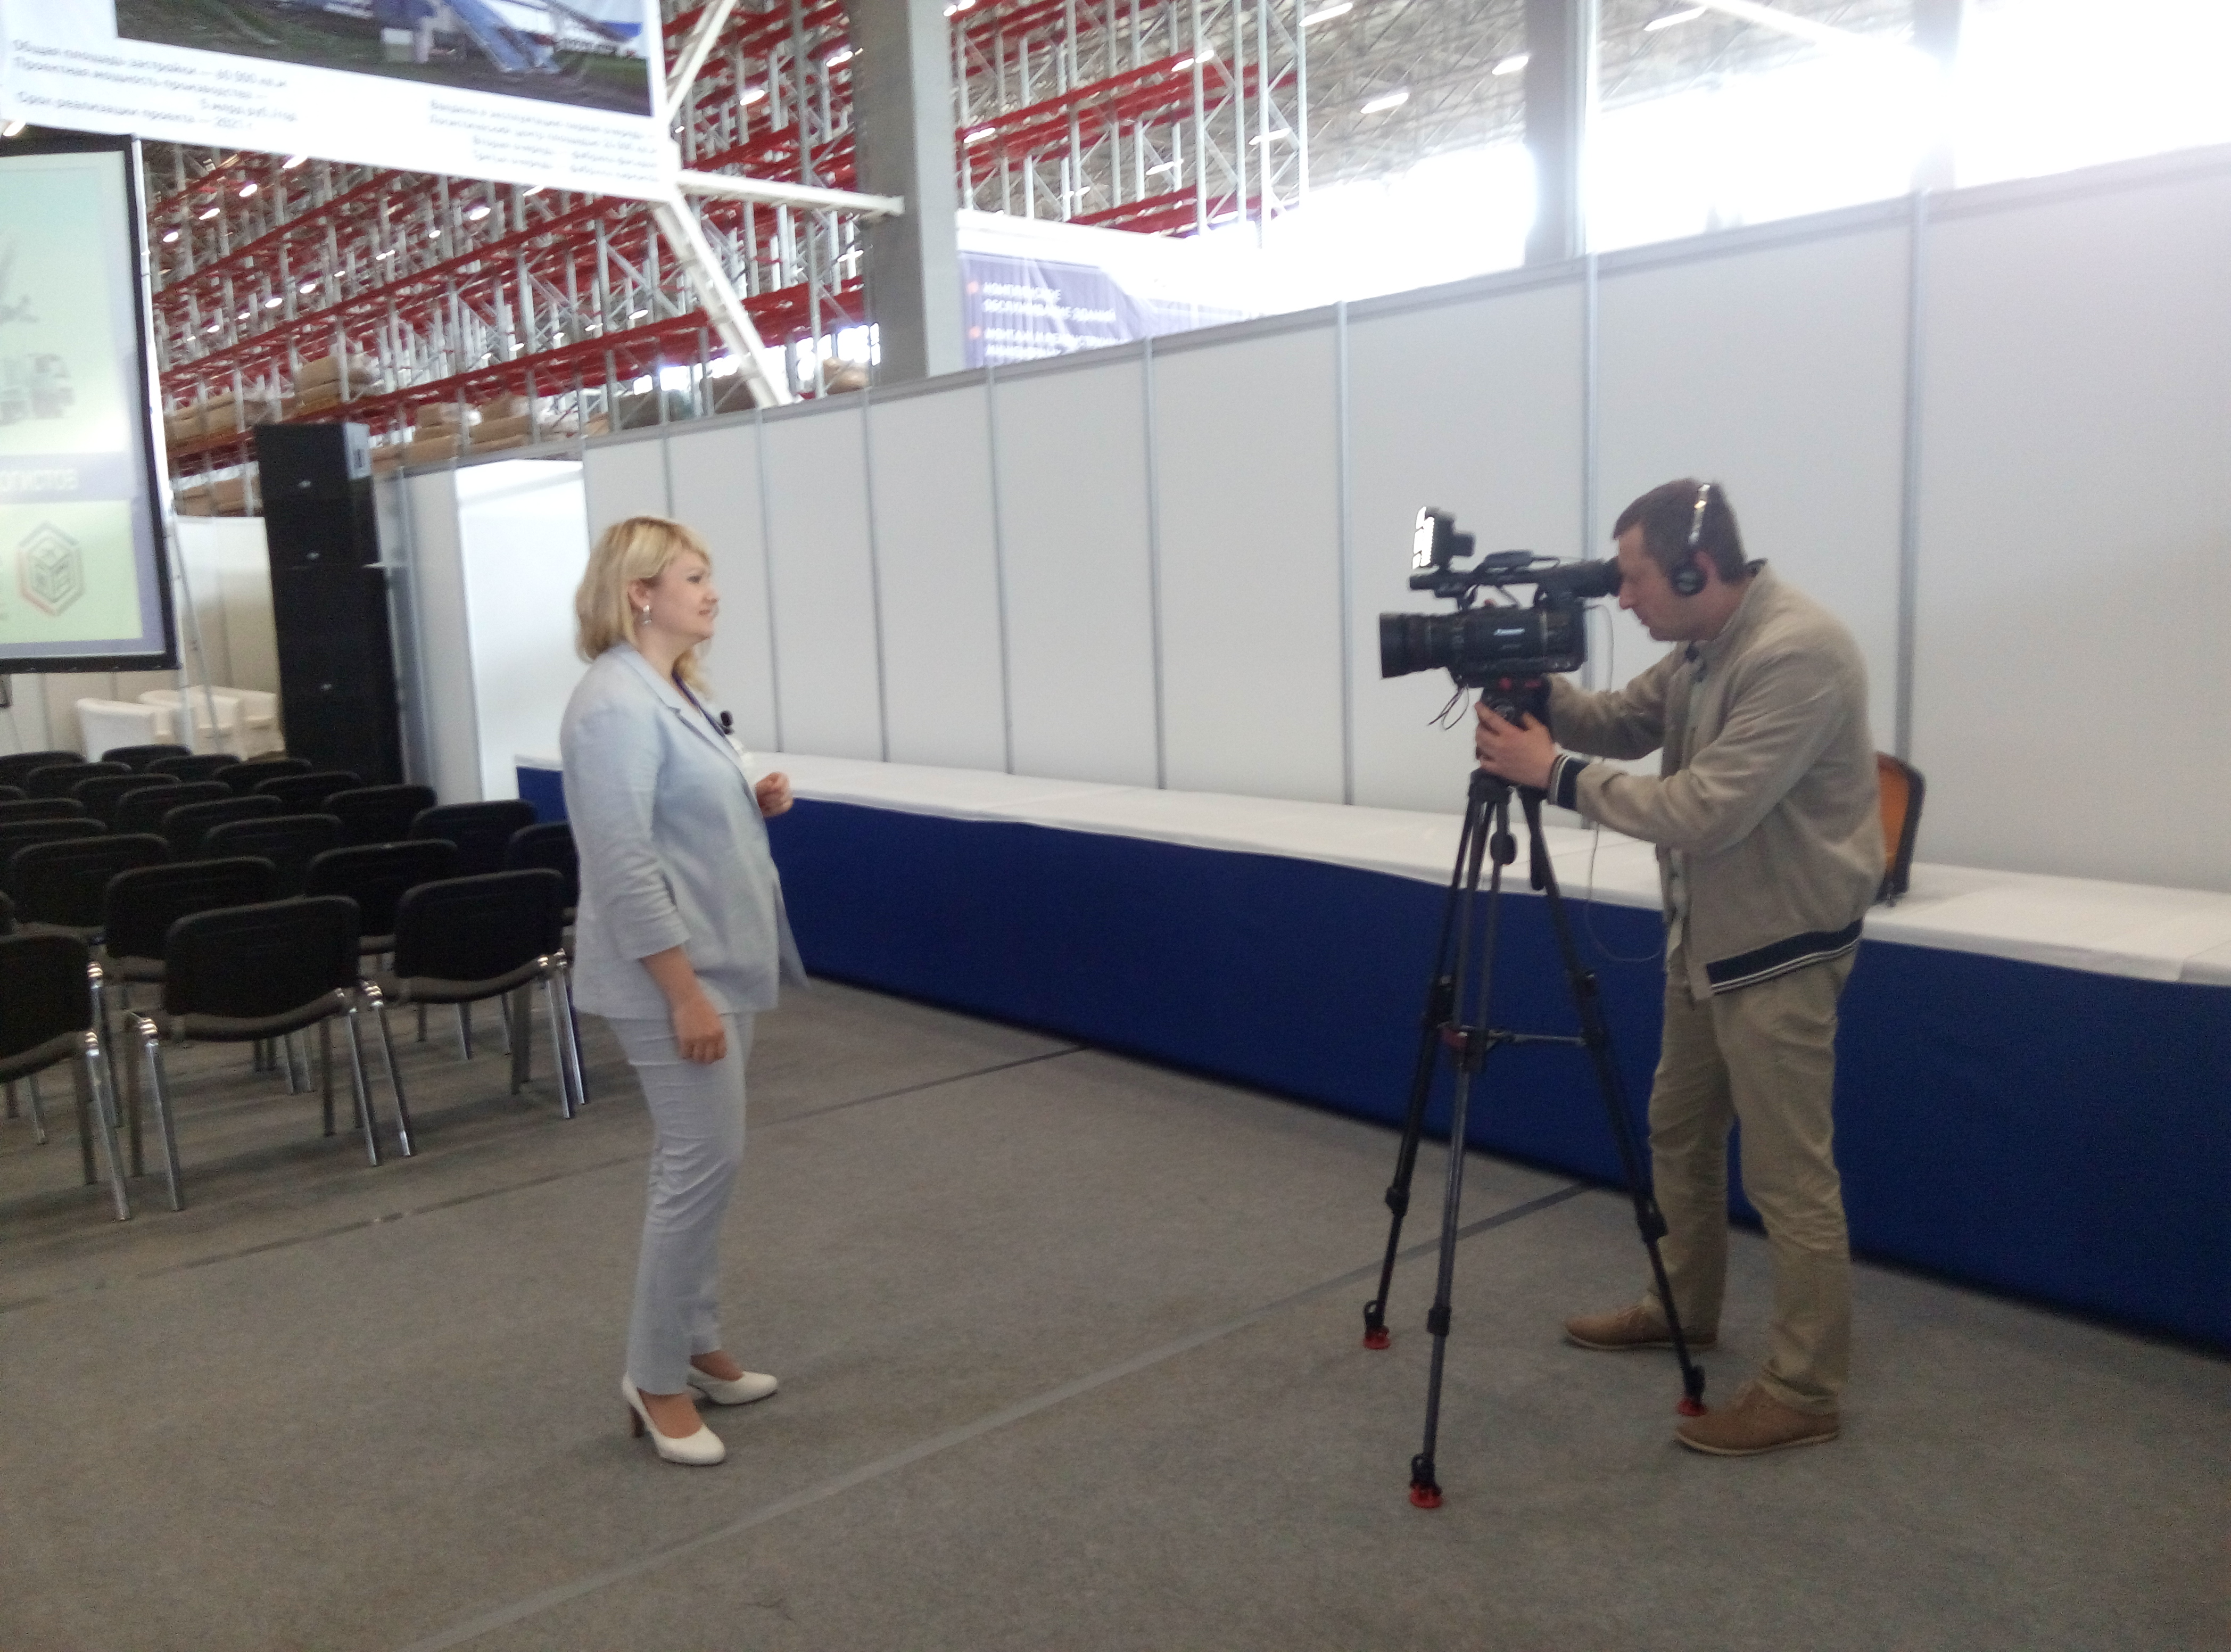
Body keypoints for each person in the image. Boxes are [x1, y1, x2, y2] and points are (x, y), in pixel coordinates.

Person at [1472, 478, 1882, 1457]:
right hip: (1709, 937)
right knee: (1679, 1132)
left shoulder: (1796, 652)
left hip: (1778, 947)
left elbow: (1705, 810)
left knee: (1788, 1178)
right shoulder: (1706, 643)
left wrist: (1551, 773)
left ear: (1696, 570)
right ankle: (1684, 1307)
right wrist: (1535, 688)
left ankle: (1804, 1391)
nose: (1622, 599)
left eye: (1635, 579)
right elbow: (1620, 721)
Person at [561, 515, 807, 1467]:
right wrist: (683, 994)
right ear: (641, 592)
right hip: (674, 977)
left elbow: (677, 810)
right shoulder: (613, 705)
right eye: (694, 578)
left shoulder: (675, 690)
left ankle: (696, 1345)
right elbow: (623, 864)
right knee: (698, 1169)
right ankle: (655, 1376)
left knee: (709, 1163)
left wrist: (753, 794)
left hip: (715, 962)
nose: (713, 593)